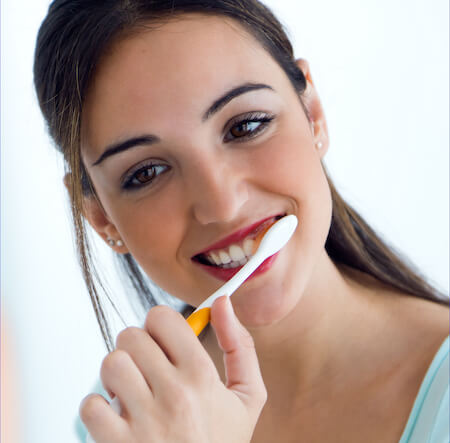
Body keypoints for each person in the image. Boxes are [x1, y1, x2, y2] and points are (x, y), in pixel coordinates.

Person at [33, 1, 449, 441]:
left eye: (246, 126)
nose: (221, 205)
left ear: (313, 115)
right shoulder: (127, 416)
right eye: (147, 173)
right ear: (102, 219)